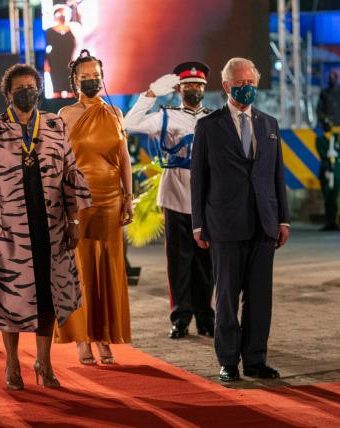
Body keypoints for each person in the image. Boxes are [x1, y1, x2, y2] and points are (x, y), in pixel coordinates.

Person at [0, 64, 91, 389]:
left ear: (38, 90)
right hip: (7, 230)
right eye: (19, 88)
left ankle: (44, 363)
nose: (26, 92)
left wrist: (73, 219)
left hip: (50, 225)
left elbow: (70, 173)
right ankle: (12, 364)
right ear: (8, 94)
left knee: (48, 295)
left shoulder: (55, 125)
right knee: (7, 296)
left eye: (31, 86)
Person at [191, 57, 290, 382]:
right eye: (241, 83)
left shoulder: (269, 124)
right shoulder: (209, 126)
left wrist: (283, 219)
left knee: (260, 299)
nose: (247, 88)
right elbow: (198, 178)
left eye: (251, 82)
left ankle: (256, 360)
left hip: (264, 223)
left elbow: (276, 175)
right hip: (224, 224)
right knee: (227, 298)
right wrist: (198, 222)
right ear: (227, 86)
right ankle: (229, 362)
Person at [54, 49, 133, 365]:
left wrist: (128, 197)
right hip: (79, 202)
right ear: (74, 81)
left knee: (106, 270)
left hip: (111, 201)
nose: (92, 81)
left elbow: (124, 157)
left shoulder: (114, 113)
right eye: (85, 77)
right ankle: (83, 339)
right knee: (81, 271)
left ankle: (105, 336)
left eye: (96, 76)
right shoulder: (65, 114)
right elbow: (59, 162)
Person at [124, 62, 214, 339]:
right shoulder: (166, 116)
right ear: (179, 89)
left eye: (198, 85)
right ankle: (180, 318)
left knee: (205, 264)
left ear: (204, 88)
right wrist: (150, 94)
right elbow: (129, 124)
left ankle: (205, 319)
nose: (193, 90)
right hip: (175, 196)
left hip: (207, 201)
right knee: (178, 262)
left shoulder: (214, 118)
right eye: (188, 85)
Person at [316, 118, 340, 231]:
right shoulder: (320, 139)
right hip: (326, 171)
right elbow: (322, 154)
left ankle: (334, 222)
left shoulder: (338, 137)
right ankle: (329, 222)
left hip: (337, 171)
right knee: (327, 197)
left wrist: (336, 153)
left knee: (334, 197)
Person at [44, 4, 76, 98]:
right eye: (59, 14)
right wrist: (46, 63)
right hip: (55, 63)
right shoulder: (49, 31)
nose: (61, 16)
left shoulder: (73, 29)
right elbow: (46, 49)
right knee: (57, 90)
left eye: (63, 14)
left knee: (71, 90)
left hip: (70, 62)